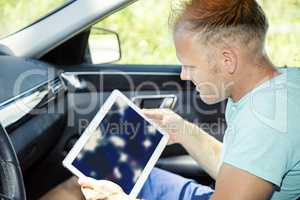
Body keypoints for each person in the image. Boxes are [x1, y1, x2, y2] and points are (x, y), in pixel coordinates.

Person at [40, 0, 300, 199]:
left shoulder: (265, 122)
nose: (185, 76)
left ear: (227, 60)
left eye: (190, 66)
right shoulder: (280, 82)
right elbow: (240, 166)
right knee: (93, 178)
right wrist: (182, 130)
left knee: (85, 188)